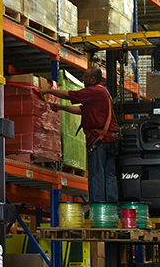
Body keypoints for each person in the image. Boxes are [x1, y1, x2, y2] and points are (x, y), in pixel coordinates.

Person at [39, 66, 120, 203]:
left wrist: (48, 90)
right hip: (110, 139)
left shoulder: (94, 91)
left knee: (96, 174)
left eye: (85, 76)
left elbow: (69, 95)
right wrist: (62, 107)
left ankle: (97, 207)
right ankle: (111, 206)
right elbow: (83, 110)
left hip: (99, 141)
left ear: (93, 79)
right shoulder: (103, 92)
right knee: (109, 174)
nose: (83, 79)